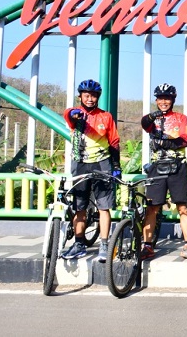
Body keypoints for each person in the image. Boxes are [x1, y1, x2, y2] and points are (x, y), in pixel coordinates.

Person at [61, 79, 120, 262]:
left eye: (93, 96)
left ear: (98, 97)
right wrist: (74, 114)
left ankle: (104, 244)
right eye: (86, 95)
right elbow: (68, 115)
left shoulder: (106, 116)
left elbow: (114, 142)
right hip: (80, 163)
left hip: (102, 163)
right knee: (79, 207)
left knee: (104, 207)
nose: (90, 99)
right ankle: (79, 244)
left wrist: (116, 166)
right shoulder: (76, 115)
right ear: (80, 96)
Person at [139, 83, 187, 260]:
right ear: (156, 100)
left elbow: (183, 141)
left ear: (173, 100)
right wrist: (152, 116)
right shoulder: (153, 120)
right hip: (157, 167)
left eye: (167, 98)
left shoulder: (181, 118)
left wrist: (164, 142)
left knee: (183, 207)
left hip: (177, 166)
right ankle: (148, 245)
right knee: (152, 208)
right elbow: (144, 123)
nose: (164, 101)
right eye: (160, 98)